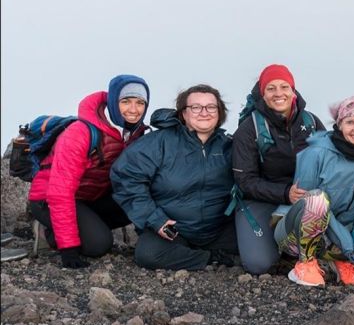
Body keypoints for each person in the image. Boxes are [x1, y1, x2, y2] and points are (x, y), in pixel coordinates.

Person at [274, 96, 354, 286]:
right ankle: (305, 264)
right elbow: (306, 202)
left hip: (342, 234)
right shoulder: (315, 152)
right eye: (350, 122)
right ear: (339, 124)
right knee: (317, 200)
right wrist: (346, 243)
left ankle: (341, 261)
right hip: (295, 232)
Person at [28, 75, 150, 268]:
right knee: (98, 245)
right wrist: (68, 248)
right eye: (126, 101)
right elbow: (60, 191)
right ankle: (50, 233)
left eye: (140, 103)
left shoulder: (134, 133)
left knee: (135, 201)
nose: (133, 110)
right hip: (49, 198)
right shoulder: (81, 133)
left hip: (89, 197)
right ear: (113, 101)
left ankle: (86, 225)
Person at [111, 84, 237, 271]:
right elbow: (126, 177)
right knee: (148, 255)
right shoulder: (159, 142)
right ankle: (209, 258)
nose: (204, 113)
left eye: (211, 107)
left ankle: (210, 255)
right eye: (196, 107)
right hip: (173, 229)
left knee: (259, 253)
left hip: (217, 230)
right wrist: (155, 220)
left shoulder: (229, 146)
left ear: (219, 113)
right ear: (184, 113)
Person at [231, 64, 324, 274]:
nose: (278, 93)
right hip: (260, 200)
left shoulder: (311, 122)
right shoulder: (249, 128)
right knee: (259, 264)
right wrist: (285, 193)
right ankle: (283, 246)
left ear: (293, 90)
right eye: (271, 88)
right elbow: (245, 181)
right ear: (262, 94)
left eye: (284, 87)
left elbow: (328, 163)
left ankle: (297, 249)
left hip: (303, 197)